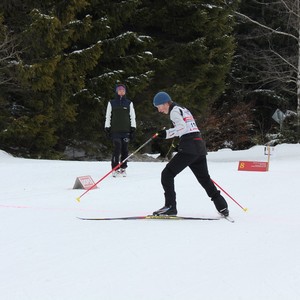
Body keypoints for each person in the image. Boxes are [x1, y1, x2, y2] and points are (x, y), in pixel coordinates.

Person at [152, 91, 229, 217]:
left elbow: (182, 127)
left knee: (167, 174)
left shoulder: (174, 111)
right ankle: (222, 206)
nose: (159, 110)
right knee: (204, 179)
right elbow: (188, 127)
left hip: (189, 147)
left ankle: (170, 207)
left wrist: (166, 134)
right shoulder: (183, 109)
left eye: (159, 106)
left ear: (165, 103)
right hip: (199, 146)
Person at [105, 84, 136, 177]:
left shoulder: (129, 103)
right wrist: (107, 127)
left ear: (125, 91)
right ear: (116, 91)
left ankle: (123, 168)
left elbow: (132, 116)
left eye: (123, 90)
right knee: (117, 148)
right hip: (115, 130)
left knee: (125, 149)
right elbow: (108, 116)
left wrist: (133, 128)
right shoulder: (111, 103)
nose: (121, 91)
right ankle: (115, 168)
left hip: (126, 130)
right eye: (119, 89)